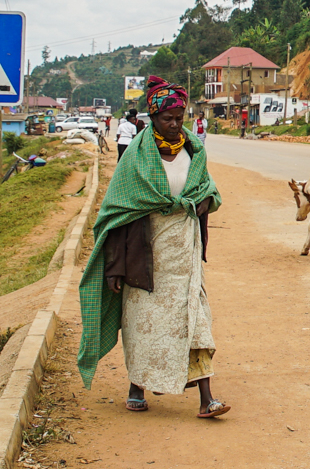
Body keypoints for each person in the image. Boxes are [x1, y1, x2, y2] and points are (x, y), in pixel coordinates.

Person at [77, 76, 229, 419]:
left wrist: (203, 202)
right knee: (143, 326)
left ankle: (207, 398)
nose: (175, 124)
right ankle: (137, 386)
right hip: (145, 256)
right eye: (167, 118)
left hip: (184, 254)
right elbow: (118, 214)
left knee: (196, 320)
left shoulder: (194, 151)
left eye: (179, 118)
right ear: (153, 118)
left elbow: (209, 190)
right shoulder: (136, 157)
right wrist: (115, 267)